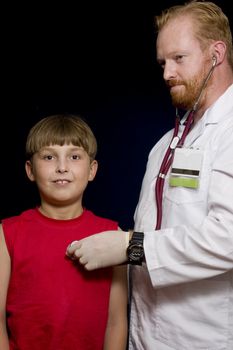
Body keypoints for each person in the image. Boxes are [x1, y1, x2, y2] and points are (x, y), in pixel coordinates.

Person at [66, 1, 233, 349]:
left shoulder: (229, 131)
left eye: (179, 59)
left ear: (216, 54)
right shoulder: (164, 145)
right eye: (162, 62)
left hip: (202, 338)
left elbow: (228, 238)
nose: (166, 73)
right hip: (145, 333)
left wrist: (133, 246)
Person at [0, 114, 128, 350]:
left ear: (92, 169)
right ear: (30, 170)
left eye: (75, 157)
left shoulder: (113, 235)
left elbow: (116, 322)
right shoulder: (7, 233)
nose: (62, 167)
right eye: (49, 157)